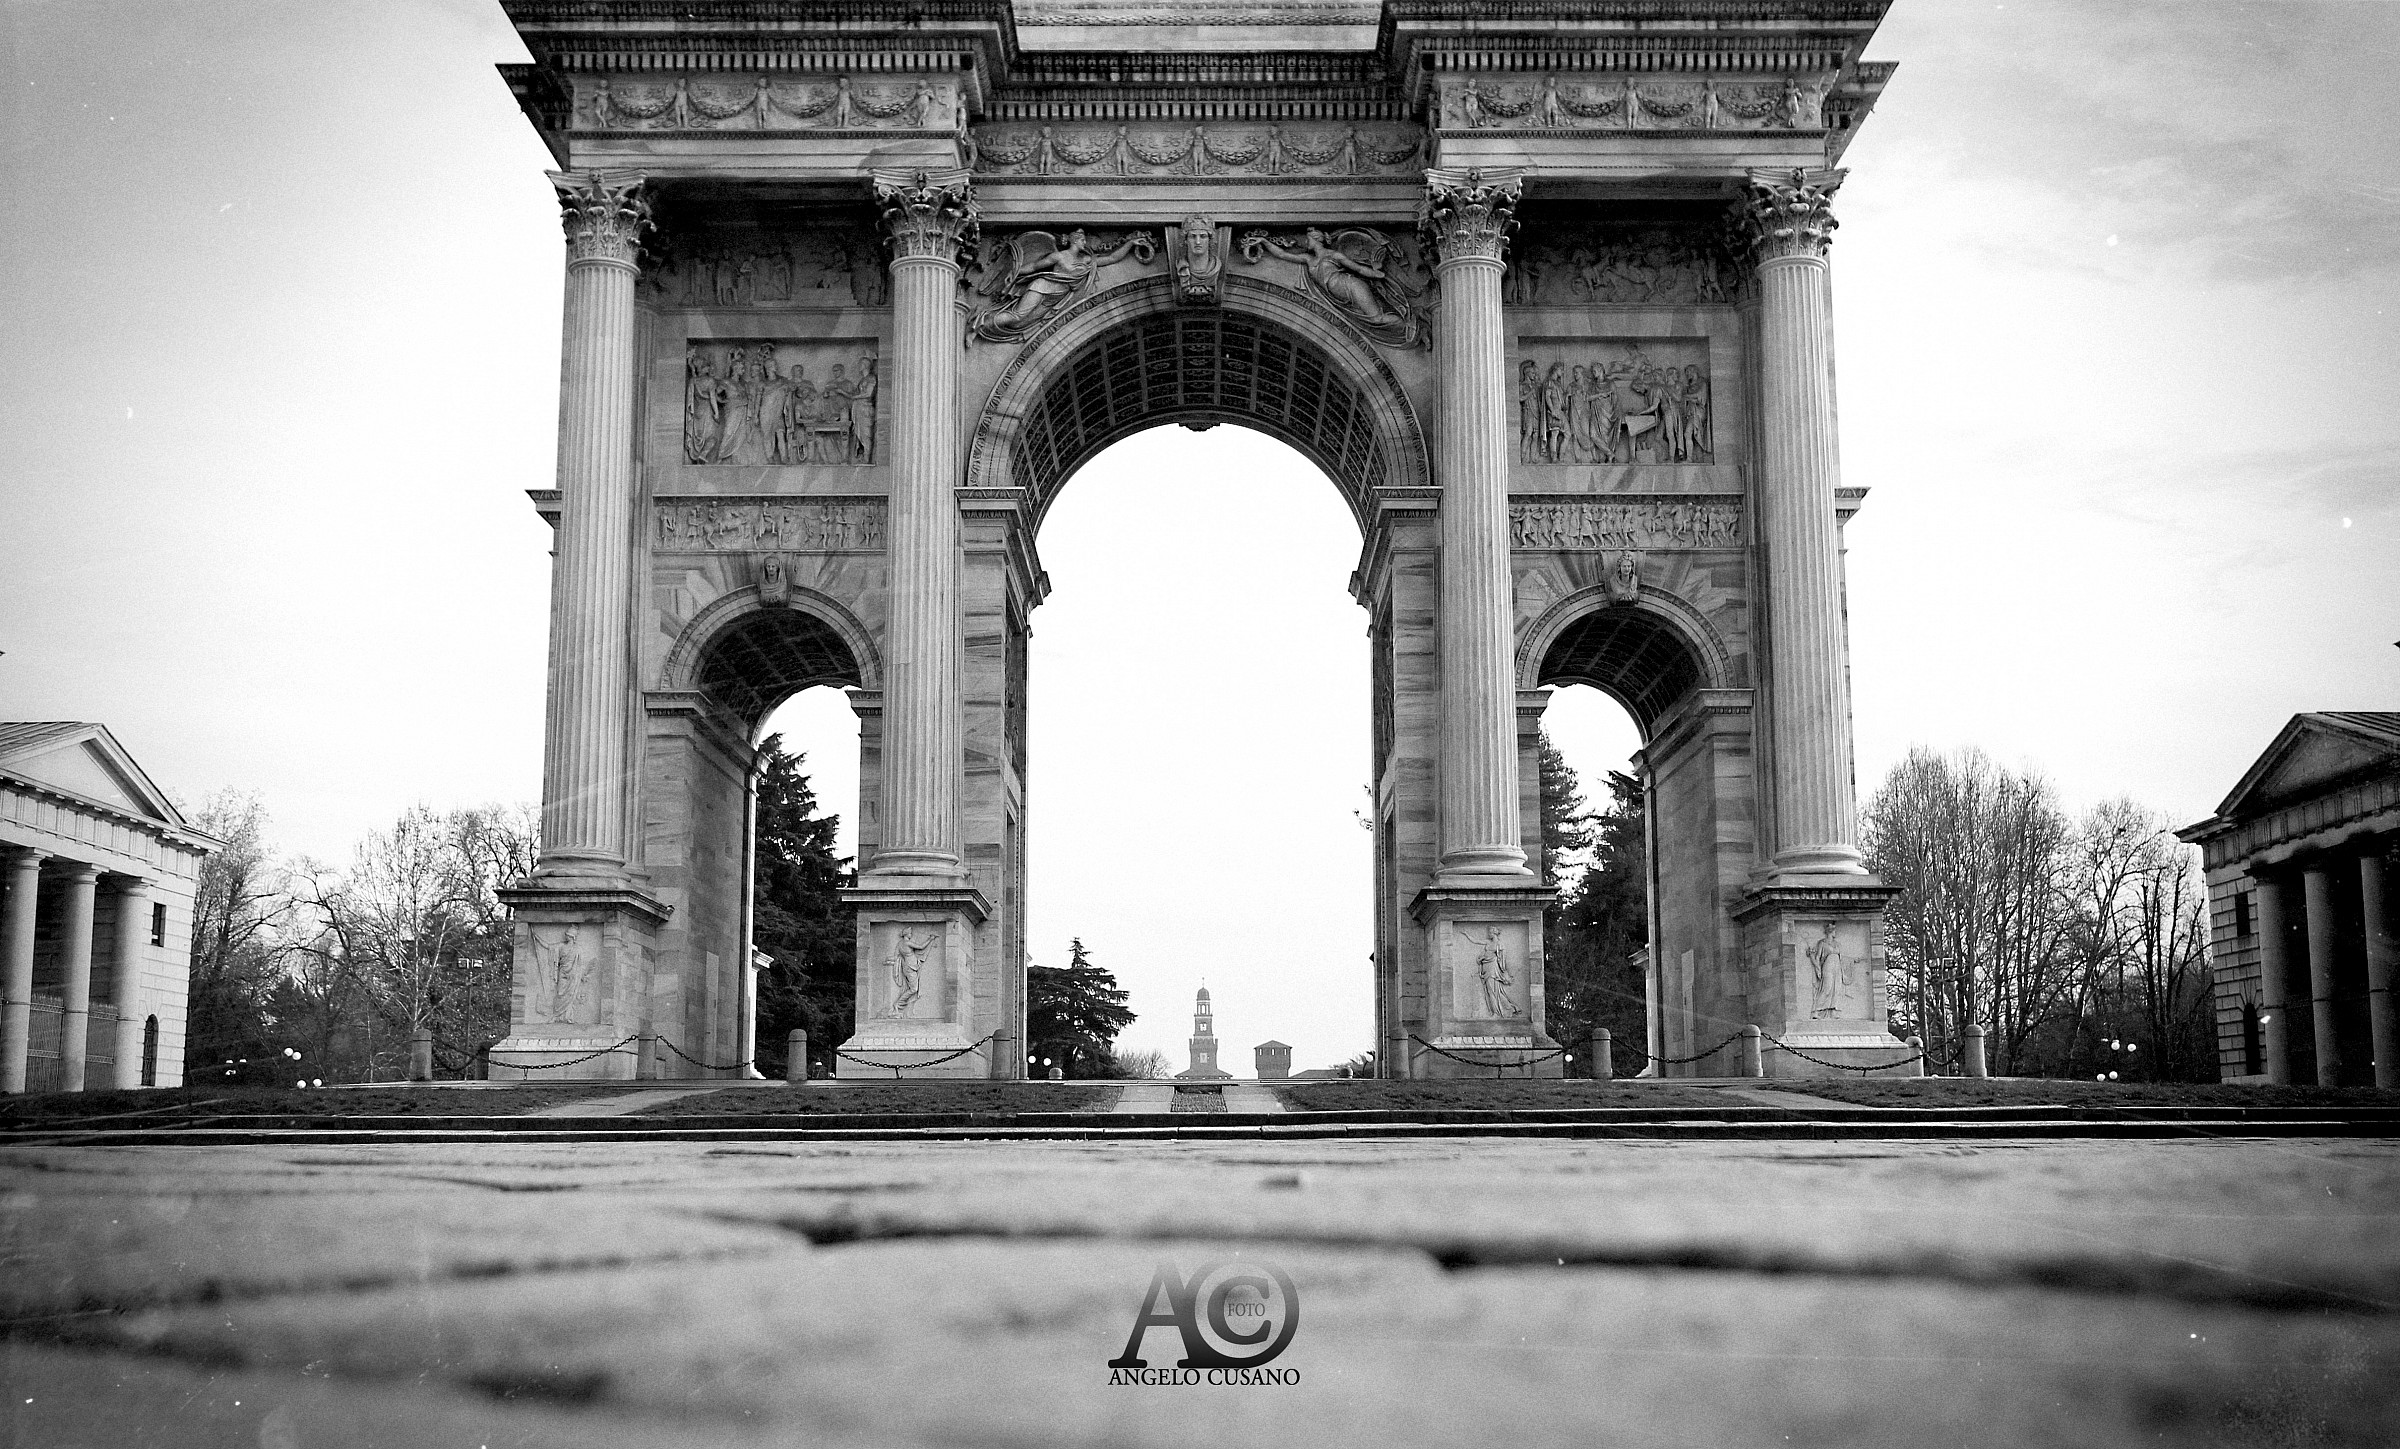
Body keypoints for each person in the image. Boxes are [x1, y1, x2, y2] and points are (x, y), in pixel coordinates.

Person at [847, 356, 878, 463]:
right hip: (858, 408)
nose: (858, 366)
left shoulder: (871, 378)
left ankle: (867, 458)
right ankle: (862, 456)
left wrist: (855, 397)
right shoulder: (862, 380)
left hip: (865, 409)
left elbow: (869, 394)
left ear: (865, 366)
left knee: (866, 434)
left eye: (860, 364)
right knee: (858, 433)